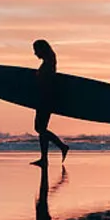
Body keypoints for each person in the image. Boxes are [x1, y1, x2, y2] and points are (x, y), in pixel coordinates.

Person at [30, 39, 69, 167]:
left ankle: (62, 146)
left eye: (36, 50)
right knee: (41, 129)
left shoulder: (48, 65)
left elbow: (47, 84)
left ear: (42, 49)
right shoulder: (49, 62)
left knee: (40, 128)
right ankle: (44, 158)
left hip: (45, 100)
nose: (35, 53)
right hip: (44, 100)